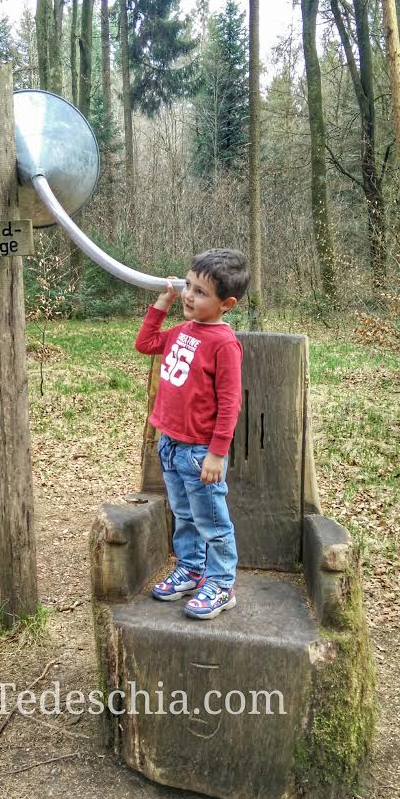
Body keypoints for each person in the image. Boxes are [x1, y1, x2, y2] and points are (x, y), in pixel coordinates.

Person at [134, 248, 250, 620]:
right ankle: (192, 569)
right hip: (170, 445)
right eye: (188, 286)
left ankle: (221, 583)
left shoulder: (223, 344)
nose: (188, 295)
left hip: (200, 452)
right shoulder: (182, 331)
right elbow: (144, 344)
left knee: (212, 523)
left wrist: (217, 453)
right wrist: (162, 303)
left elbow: (230, 403)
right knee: (184, 516)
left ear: (226, 304)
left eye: (200, 292)